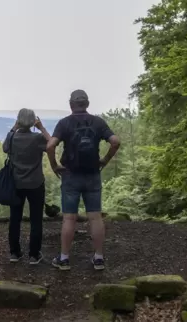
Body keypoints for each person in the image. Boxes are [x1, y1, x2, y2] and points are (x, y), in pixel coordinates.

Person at [46, 90, 121, 271]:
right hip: (93, 174)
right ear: (87, 104)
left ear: (71, 104)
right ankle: (99, 258)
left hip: (70, 175)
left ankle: (64, 259)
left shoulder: (64, 123)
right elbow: (115, 141)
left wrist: (55, 165)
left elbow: (50, 145)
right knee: (95, 217)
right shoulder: (98, 122)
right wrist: (104, 160)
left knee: (69, 218)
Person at [2, 108, 51, 265]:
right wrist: (42, 127)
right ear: (33, 122)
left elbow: (4, 148)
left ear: (18, 121)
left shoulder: (12, 138)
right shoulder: (37, 138)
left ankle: (15, 253)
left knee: (15, 218)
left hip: (16, 183)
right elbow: (51, 144)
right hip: (36, 183)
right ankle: (34, 255)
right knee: (36, 219)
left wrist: (13, 128)